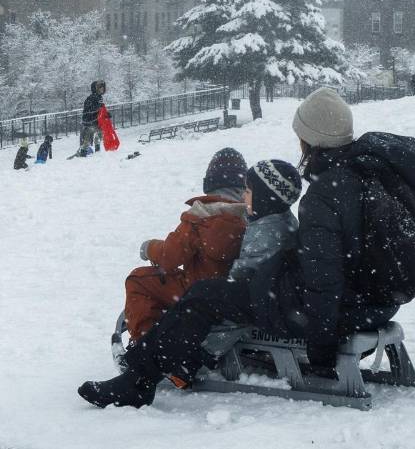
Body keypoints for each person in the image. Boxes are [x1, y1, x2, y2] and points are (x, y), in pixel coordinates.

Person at [80, 88, 415, 409]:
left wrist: (322, 352)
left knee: (204, 295)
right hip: (379, 303)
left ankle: (140, 379)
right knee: (234, 284)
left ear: (311, 140)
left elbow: (324, 280)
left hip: (338, 309)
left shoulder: (327, 193)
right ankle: (167, 361)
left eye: (300, 137)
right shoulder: (372, 174)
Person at [83, 158, 301, 408]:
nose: (244, 195)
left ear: (265, 197)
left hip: (245, 312)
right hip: (260, 301)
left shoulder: (260, 231)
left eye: (250, 191)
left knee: (183, 298)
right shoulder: (274, 221)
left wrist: (202, 348)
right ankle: (146, 367)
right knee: (198, 298)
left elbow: (232, 289)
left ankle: (144, 367)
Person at [123, 148, 248, 342]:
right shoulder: (248, 216)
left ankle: (145, 343)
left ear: (210, 182)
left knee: (138, 280)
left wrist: (148, 248)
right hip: (232, 294)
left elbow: (169, 257)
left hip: (197, 291)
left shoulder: (201, 216)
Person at [79, 81, 106, 156]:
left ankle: (97, 151)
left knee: (99, 134)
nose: (102, 89)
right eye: (100, 88)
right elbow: (89, 110)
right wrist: (98, 108)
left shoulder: (99, 97)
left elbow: (101, 108)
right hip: (89, 121)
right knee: (87, 139)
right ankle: (83, 153)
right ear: (95, 89)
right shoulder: (91, 98)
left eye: (103, 87)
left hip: (96, 120)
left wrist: (106, 114)